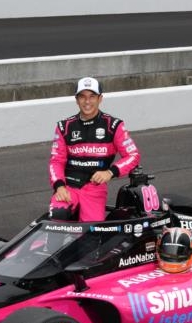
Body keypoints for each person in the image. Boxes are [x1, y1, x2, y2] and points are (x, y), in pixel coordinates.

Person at [48, 77, 141, 222]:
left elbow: (133, 156)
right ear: (76, 99)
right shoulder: (64, 127)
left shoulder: (114, 126)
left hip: (94, 188)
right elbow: (56, 161)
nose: (87, 101)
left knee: (92, 235)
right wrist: (59, 186)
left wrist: (110, 172)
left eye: (92, 96)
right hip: (68, 187)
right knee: (57, 217)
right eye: (82, 97)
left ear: (100, 98)